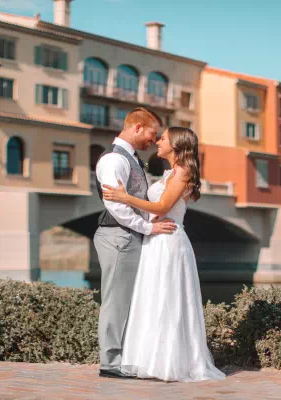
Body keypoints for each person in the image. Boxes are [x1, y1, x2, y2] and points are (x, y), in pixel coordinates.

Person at [102, 127, 226, 382]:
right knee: (153, 298)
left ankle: (170, 363)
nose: (158, 141)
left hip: (170, 242)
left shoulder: (183, 172)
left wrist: (125, 198)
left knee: (168, 300)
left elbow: (163, 206)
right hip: (155, 240)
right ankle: (152, 360)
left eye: (163, 138)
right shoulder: (170, 173)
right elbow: (159, 209)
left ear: (177, 144)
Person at [93, 107, 177, 379]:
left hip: (129, 236)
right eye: (152, 134)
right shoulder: (114, 161)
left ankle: (123, 357)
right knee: (116, 300)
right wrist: (148, 227)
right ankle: (110, 363)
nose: (153, 140)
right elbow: (115, 205)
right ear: (137, 128)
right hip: (118, 236)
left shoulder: (132, 159)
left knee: (130, 300)